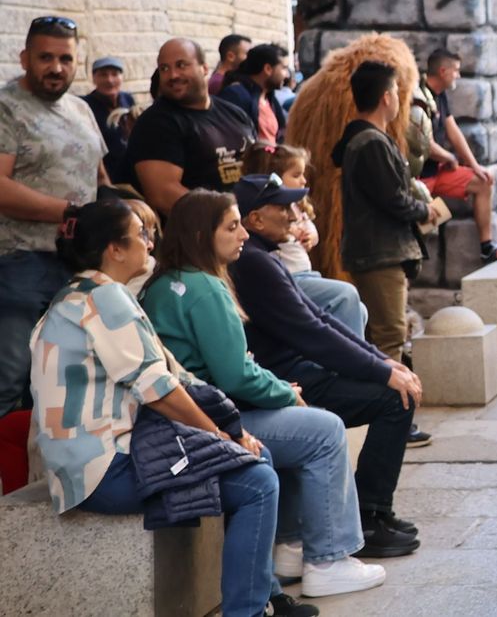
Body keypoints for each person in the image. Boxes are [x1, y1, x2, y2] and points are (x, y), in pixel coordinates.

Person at [30, 199, 297, 617]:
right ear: (114, 249)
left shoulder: (74, 297)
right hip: (104, 470)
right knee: (259, 481)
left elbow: (173, 377)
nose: (150, 240)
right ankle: (249, 611)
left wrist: (230, 434)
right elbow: (161, 391)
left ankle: (268, 598)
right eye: (140, 234)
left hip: (83, 466)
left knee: (254, 457)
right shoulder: (105, 299)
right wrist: (221, 435)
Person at [141, 190, 388, 598]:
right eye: (232, 226)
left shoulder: (165, 283)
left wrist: (276, 388)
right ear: (203, 234)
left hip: (190, 418)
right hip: (212, 424)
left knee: (301, 430)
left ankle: (290, 546)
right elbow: (234, 375)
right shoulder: (205, 287)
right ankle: (329, 559)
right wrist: (286, 394)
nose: (242, 236)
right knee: (324, 430)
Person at [228, 174, 423, 558]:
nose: (293, 214)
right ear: (254, 221)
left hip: (292, 372)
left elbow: (317, 318)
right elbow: (313, 332)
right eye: (282, 208)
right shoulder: (254, 264)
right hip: (286, 383)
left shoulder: (263, 257)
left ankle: (373, 510)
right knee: (393, 400)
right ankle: (371, 514)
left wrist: (380, 359)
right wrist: (382, 371)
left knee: (391, 388)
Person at [0, 15, 109, 421]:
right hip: (20, 263)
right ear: (25, 57)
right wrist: (70, 212)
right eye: (45, 57)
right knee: (10, 383)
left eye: (66, 58)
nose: (56, 67)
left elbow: (99, 179)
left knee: (65, 382)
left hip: (79, 266)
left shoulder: (82, 109)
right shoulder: (6, 107)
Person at [333, 61, 431, 362]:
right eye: (397, 93)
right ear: (386, 97)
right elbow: (393, 199)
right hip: (379, 253)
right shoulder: (371, 142)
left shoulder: (364, 139)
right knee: (390, 336)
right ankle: (396, 407)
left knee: (383, 334)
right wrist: (424, 210)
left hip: (378, 251)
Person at [239, 143, 366, 340]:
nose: (290, 216)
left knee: (359, 309)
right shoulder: (253, 252)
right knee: (345, 295)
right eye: (296, 175)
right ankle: (353, 368)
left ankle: (352, 361)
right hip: (293, 277)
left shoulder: (296, 208)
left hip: (308, 275)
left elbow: (309, 226)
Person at [126, 38, 257, 214]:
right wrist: (228, 218)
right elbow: (163, 195)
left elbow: (258, 165)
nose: (173, 75)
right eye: (164, 68)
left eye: (181, 65)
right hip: (201, 234)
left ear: (204, 68)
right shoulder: (156, 123)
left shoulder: (235, 114)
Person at [416, 49, 497, 265]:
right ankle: (413, 264)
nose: (458, 75)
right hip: (419, 178)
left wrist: (475, 166)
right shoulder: (418, 97)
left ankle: (487, 248)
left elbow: (452, 129)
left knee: (483, 182)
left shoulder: (440, 96)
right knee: (424, 223)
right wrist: (448, 156)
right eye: (456, 71)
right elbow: (420, 142)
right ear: (442, 70)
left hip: (438, 171)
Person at [218, 44, 292, 146]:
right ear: (268, 69)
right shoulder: (236, 96)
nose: (288, 75)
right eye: (284, 68)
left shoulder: (269, 98)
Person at [84, 55, 137, 183]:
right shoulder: (86, 105)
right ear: (94, 78)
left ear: (122, 77)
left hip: (132, 170)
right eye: (103, 75)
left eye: (115, 74)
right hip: (105, 175)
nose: (110, 80)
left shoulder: (128, 99)